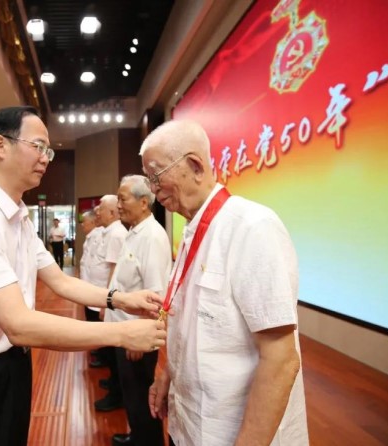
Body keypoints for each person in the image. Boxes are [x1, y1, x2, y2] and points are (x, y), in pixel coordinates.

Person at [0, 106, 167, 446]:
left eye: (48, 151)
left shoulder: (19, 218)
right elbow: (18, 324)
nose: (46, 159)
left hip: (13, 365)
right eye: (38, 146)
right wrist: (122, 332)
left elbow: (61, 281)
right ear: (0, 145)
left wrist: (120, 299)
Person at [140, 119, 308, 446]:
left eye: (157, 176)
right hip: (187, 423)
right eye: (149, 179)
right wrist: (167, 375)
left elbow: (281, 359)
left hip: (231, 433)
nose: (153, 189)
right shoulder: (191, 231)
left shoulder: (252, 227)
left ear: (195, 165)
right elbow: (188, 327)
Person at [105, 174, 172, 446]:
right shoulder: (134, 232)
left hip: (137, 336)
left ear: (143, 203)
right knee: (132, 395)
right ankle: (138, 437)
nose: (119, 205)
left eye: (123, 199)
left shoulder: (152, 237)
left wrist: (141, 337)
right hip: (125, 330)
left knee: (141, 397)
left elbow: (156, 294)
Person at [92, 194, 129, 411]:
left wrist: (105, 302)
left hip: (111, 300)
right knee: (111, 353)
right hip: (107, 297)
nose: (98, 212)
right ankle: (115, 385)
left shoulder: (116, 233)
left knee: (115, 354)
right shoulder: (112, 232)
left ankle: (117, 392)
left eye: (101, 209)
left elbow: (113, 270)